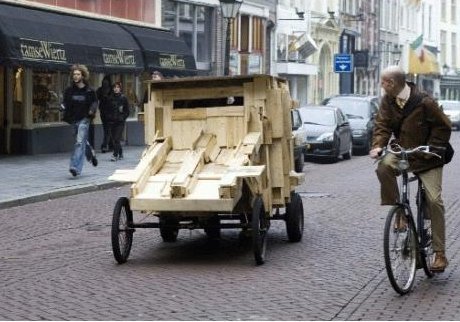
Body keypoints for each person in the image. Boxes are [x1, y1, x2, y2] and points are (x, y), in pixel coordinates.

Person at [370, 65, 452, 272]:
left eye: (383, 82)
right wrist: (378, 145)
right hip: (403, 152)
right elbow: (382, 125)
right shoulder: (388, 101)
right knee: (383, 167)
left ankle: (440, 253)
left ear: (392, 83)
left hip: (427, 157)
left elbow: (444, 126)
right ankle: (400, 211)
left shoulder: (425, 101)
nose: (381, 86)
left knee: (434, 200)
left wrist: (433, 146)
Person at [62, 64, 98, 177]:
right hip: (73, 119)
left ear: (83, 76)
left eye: (78, 74)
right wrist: (62, 106)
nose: (76, 76)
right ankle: (91, 153)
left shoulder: (89, 91)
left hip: (85, 119)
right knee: (81, 142)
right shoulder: (69, 91)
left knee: (78, 143)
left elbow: (95, 102)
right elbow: (65, 102)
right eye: (74, 74)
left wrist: (92, 110)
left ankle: (75, 168)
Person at [106, 82, 130, 161]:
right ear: (113, 89)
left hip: (120, 122)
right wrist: (108, 117)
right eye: (114, 87)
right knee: (114, 139)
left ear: (120, 88)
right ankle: (120, 152)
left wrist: (123, 117)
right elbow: (107, 110)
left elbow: (127, 111)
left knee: (117, 138)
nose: (116, 89)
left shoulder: (123, 98)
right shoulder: (110, 98)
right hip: (112, 121)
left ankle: (115, 155)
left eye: (117, 87)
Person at [96, 75, 113, 153]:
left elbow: (95, 99)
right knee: (108, 129)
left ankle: (110, 145)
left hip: (103, 112)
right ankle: (105, 145)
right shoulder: (111, 90)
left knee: (106, 129)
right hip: (110, 112)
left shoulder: (100, 90)